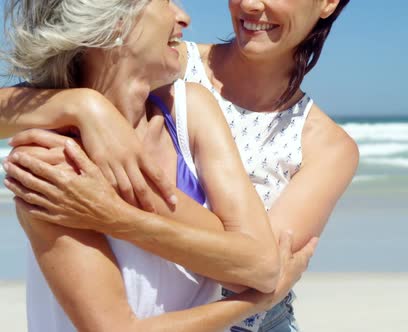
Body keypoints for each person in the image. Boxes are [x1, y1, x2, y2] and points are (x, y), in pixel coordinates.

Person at [1, 0, 357, 330]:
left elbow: (259, 272)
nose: (250, 3)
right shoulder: (169, 62)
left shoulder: (324, 144)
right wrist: (84, 106)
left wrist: (116, 211)